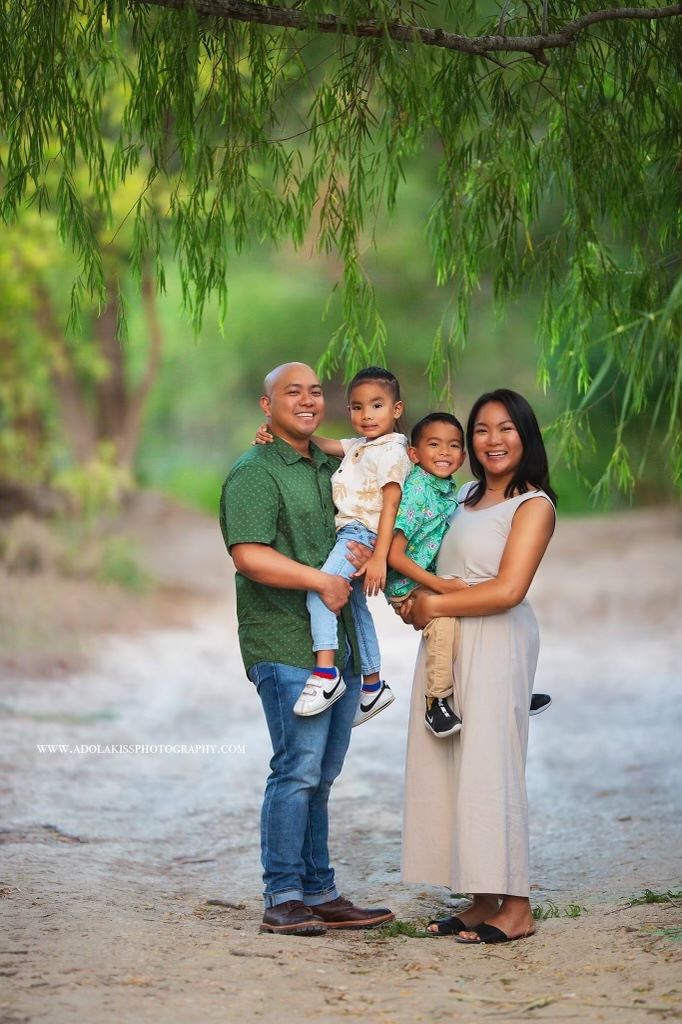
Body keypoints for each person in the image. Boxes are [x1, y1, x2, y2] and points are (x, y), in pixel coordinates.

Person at [219, 362, 395, 935]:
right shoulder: (253, 471)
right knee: (295, 770)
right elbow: (249, 555)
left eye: (316, 390)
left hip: (339, 646)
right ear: (265, 407)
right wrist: (320, 581)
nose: (307, 399)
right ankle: (283, 896)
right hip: (285, 642)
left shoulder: (338, 462)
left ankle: (320, 891)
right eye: (291, 391)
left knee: (321, 775)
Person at [399, 389, 557, 944]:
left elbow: (508, 590)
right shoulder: (460, 495)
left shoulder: (532, 506)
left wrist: (432, 604)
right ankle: (482, 897)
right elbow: (388, 462)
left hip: (498, 639)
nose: (492, 440)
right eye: (482, 430)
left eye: (506, 428)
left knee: (492, 764)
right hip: (448, 643)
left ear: (525, 436)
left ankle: (516, 906)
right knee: (450, 761)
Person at [256, 366, 413, 728]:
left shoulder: (392, 450)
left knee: (322, 591)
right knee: (355, 607)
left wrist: (378, 558)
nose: (366, 415)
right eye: (357, 408)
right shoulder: (361, 446)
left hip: (364, 536)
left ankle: (326, 675)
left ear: (397, 410)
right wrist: (271, 433)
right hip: (356, 536)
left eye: (376, 406)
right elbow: (315, 442)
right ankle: (372, 685)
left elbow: (391, 504)